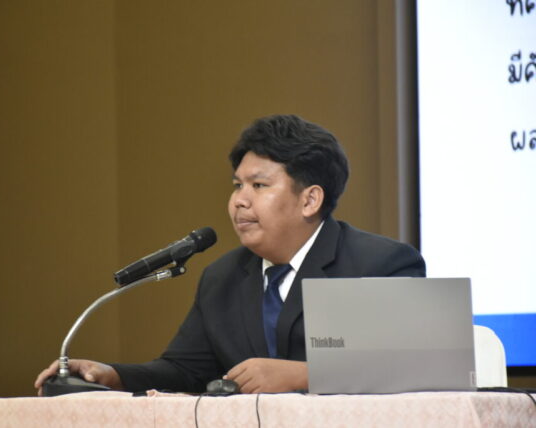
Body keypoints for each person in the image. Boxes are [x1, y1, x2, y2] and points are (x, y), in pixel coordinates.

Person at [35, 114, 425, 395]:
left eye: (259, 185)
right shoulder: (221, 278)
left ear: (310, 200)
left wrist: (303, 375)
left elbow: (410, 365)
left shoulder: (379, 265)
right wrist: (112, 375)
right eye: (237, 185)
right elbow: (184, 371)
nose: (239, 200)